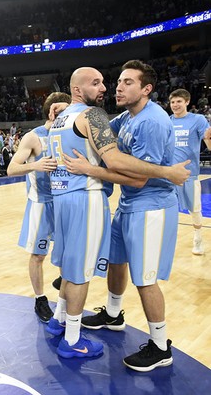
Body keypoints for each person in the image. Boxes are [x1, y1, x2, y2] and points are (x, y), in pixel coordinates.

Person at [48, 65, 189, 361]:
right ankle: (113, 313)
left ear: (146, 89)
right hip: (126, 204)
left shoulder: (152, 122)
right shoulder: (124, 117)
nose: (115, 88)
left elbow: (137, 177)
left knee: (145, 279)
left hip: (151, 205)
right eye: (113, 82)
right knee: (115, 260)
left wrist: (91, 169)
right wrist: (70, 109)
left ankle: (161, 346)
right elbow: (91, 130)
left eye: (126, 82)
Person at [6, 92, 71, 323]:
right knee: (38, 255)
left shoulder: (70, 134)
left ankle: (63, 285)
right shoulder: (34, 137)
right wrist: (36, 164)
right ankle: (40, 298)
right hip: (41, 204)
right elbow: (11, 169)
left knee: (68, 254)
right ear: (51, 111)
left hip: (65, 201)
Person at [169, 88, 211, 255]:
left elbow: (207, 141)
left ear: (187, 102)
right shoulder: (167, 121)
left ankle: (198, 238)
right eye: (172, 102)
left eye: (179, 101)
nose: (175, 105)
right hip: (168, 173)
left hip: (189, 173)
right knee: (166, 207)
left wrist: (208, 138)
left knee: (195, 208)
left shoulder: (198, 119)